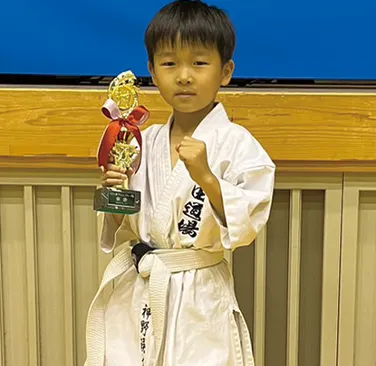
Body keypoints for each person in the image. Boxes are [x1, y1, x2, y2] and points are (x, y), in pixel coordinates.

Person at [85, 1, 275, 365]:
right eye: (170, 63)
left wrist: (206, 176)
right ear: (152, 72)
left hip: (198, 293)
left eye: (199, 63)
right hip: (139, 285)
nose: (184, 76)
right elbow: (121, 227)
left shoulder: (238, 144)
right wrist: (115, 196)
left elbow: (247, 226)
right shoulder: (141, 140)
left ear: (226, 71)